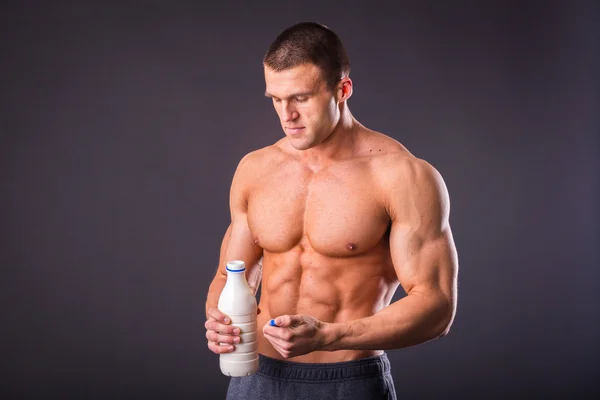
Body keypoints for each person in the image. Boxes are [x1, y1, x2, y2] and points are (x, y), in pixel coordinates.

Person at [205, 22, 458, 400]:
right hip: (255, 378)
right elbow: (230, 275)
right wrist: (219, 321)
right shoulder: (255, 170)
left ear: (342, 90)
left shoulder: (402, 175)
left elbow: (437, 307)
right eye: (275, 98)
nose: (286, 114)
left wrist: (329, 334)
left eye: (300, 98)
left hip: (349, 381)